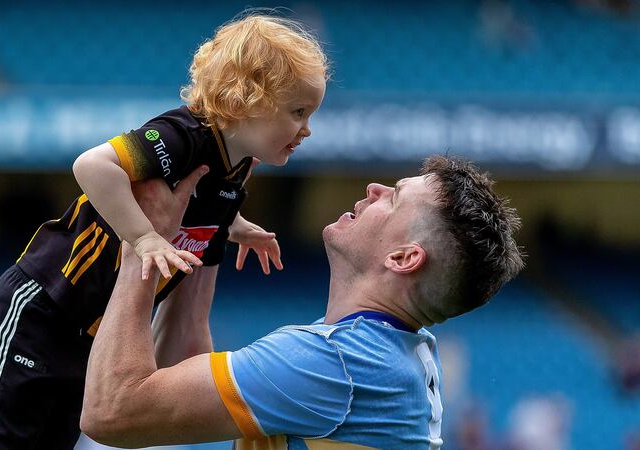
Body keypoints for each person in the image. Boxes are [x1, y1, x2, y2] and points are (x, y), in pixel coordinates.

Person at [0, 13, 328, 450]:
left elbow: (201, 209)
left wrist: (234, 225)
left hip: (88, 334)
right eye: (298, 112)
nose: (306, 129)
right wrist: (143, 237)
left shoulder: (238, 168)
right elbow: (92, 167)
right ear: (248, 98)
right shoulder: (182, 135)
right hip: (42, 305)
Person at [81, 155, 525, 449]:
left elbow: (112, 411)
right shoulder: (383, 350)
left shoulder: (340, 364)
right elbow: (180, 371)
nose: (373, 188)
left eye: (393, 199)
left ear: (404, 258)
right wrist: (207, 227)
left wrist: (141, 241)